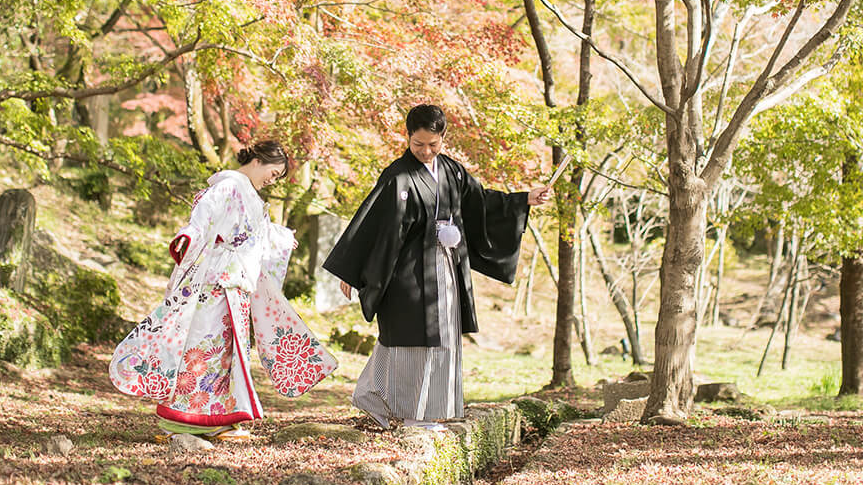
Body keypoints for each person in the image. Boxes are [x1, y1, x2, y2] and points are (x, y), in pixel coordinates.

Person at [322, 104, 550, 431]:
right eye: (418, 144)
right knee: (410, 339)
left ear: (444, 137)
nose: (426, 151)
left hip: (446, 268)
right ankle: (409, 413)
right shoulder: (398, 176)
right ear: (408, 138)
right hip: (407, 275)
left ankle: (420, 409)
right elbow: (373, 223)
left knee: (443, 337)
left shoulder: (452, 171)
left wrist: (525, 198)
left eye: (433, 144)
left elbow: (481, 202)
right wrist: (352, 270)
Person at [110, 141, 337, 440]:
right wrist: (191, 233)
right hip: (218, 283)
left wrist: (279, 237)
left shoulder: (249, 195)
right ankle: (186, 417)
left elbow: (256, 234)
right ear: (257, 160)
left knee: (224, 354)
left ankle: (216, 417)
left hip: (235, 283)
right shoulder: (230, 184)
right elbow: (205, 212)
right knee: (205, 349)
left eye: (279, 177)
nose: (274, 179)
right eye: (274, 172)